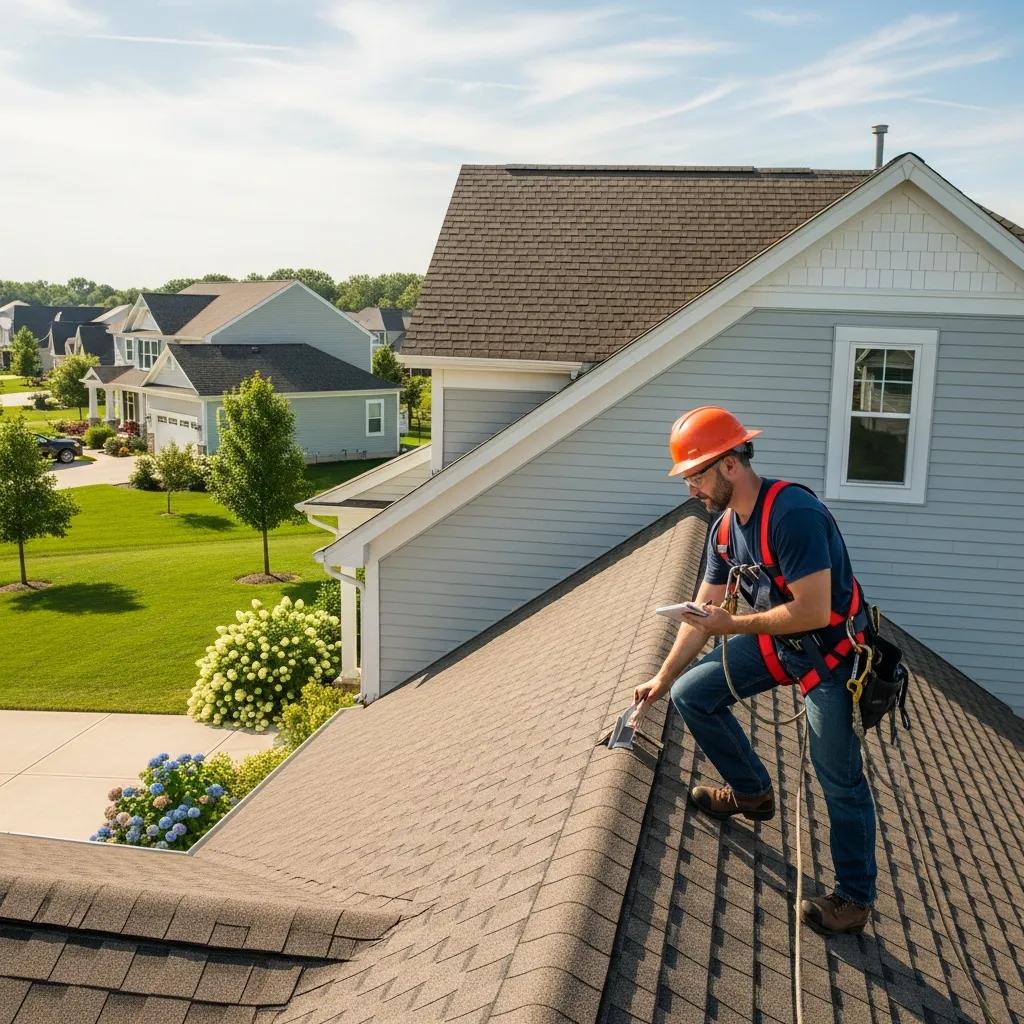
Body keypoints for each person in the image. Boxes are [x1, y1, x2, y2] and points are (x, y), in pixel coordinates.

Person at [633, 406, 877, 936]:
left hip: (830, 657)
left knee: (838, 777)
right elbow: (703, 617)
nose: (691, 488)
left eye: (696, 474)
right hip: (781, 644)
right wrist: (663, 677)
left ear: (729, 465)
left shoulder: (792, 515)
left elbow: (813, 610)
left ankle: (854, 899)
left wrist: (731, 627)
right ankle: (751, 793)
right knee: (693, 694)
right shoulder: (723, 531)